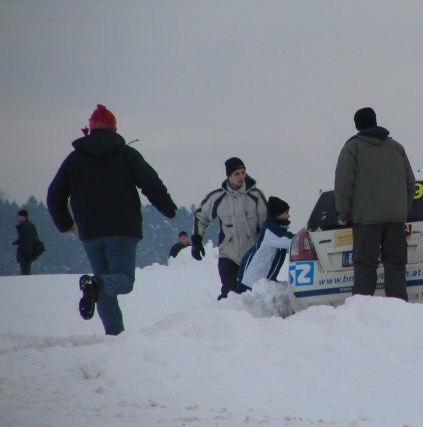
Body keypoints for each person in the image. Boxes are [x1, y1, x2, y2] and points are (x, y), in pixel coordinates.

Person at [47, 104, 177, 335]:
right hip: (122, 230)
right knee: (122, 281)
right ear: (114, 129)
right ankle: (96, 289)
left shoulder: (74, 160)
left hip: (89, 232)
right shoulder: (126, 154)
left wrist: (65, 224)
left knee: (102, 282)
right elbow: (151, 183)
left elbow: (54, 195)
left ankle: (114, 337)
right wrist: (168, 209)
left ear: (90, 128)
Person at [334, 107, 415, 300]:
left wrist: (344, 213)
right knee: (396, 263)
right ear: (375, 121)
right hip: (396, 218)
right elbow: (410, 183)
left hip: (366, 218)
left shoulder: (352, 148)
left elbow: (344, 183)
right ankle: (398, 307)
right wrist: (403, 210)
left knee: (365, 264)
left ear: (357, 125)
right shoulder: (396, 147)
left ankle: (362, 309)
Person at [191, 157, 267, 299]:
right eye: (237, 173)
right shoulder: (217, 198)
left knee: (251, 297)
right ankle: (222, 318)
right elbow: (201, 218)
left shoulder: (256, 196)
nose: (241, 176)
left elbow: (266, 225)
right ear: (229, 176)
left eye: (243, 172)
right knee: (230, 295)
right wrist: (196, 241)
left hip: (251, 255)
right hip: (228, 255)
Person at [235, 196, 294, 293]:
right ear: (278, 214)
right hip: (252, 282)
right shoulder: (271, 231)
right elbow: (288, 241)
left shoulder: (275, 229)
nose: (289, 215)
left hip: (256, 281)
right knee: (245, 306)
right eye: (286, 212)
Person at [13, 209, 41, 275]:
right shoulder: (24, 226)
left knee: (25, 272)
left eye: (20, 216)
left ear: (25, 217)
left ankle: (26, 283)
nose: (18, 218)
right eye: (18, 216)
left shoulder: (28, 226)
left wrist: (27, 253)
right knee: (24, 271)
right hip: (24, 253)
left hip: (26, 254)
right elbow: (24, 239)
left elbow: (31, 240)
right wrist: (18, 242)